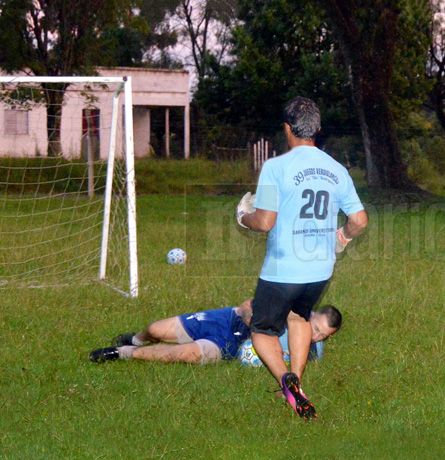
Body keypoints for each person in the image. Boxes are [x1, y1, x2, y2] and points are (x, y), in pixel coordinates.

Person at [236, 97, 367, 421]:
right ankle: (297, 384)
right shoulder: (337, 170)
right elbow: (359, 220)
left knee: (262, 330)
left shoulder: (276, 167)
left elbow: (264, 221)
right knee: (298, 317)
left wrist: (243, 218)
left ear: (286, 128)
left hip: (283, 269)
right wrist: (342, 238)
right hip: (320, 270)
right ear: (317, 128)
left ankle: (286, 379)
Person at [88, 300, 342, 364]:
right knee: (154, 329)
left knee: (184, 354)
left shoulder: (310, 353)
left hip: (229, 345)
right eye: (316, 329)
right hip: (226, 320)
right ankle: (135, 340)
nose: (316, 337)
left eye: (324, 336)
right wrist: (252, 320)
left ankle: (123, 353)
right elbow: (246, 306)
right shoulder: (289, 309)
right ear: (311, 316)